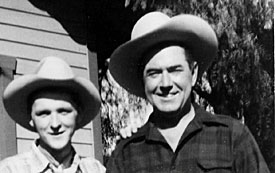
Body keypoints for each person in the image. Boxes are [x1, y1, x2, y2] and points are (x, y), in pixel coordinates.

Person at [106, 12, 270, 173]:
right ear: (143, 82)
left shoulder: (232, 137)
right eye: (154, 73)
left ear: (193, 74)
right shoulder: (124, 157)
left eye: (175, 70)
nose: (166, 83)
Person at [0, 56, 106, 173]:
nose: (55, 124)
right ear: (31, 118)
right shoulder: (10, 169)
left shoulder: (95, 169)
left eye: (63, 111)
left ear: (78, 115)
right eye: (44, 113)